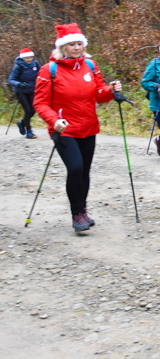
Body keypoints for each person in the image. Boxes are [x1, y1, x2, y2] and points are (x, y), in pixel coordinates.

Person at [33, 23, 123, 234]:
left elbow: (99, 94)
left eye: (79, 43)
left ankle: (82, 210)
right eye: (72, 44)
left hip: (88, 127)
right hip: (63, 129)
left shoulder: (90, 66)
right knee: (74, 168)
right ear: (62, 47)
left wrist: (110, 89)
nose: (77, 47)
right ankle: (77, 214)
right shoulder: (49, 70)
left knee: (84, 171)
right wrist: (54, 121)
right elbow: (40, 103)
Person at [8, 48, 40, 138]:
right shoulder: (18, 66)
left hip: (32, 90)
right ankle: (29, 131)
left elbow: (41, 74)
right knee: (28, 110)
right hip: (21, 91)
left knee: (33, 110)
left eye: (30, 57)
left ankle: (22, 122)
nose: (29, 59)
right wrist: (19, 84)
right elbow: (11, 79)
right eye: (27, 58)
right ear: (22, 58)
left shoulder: (35, 64)